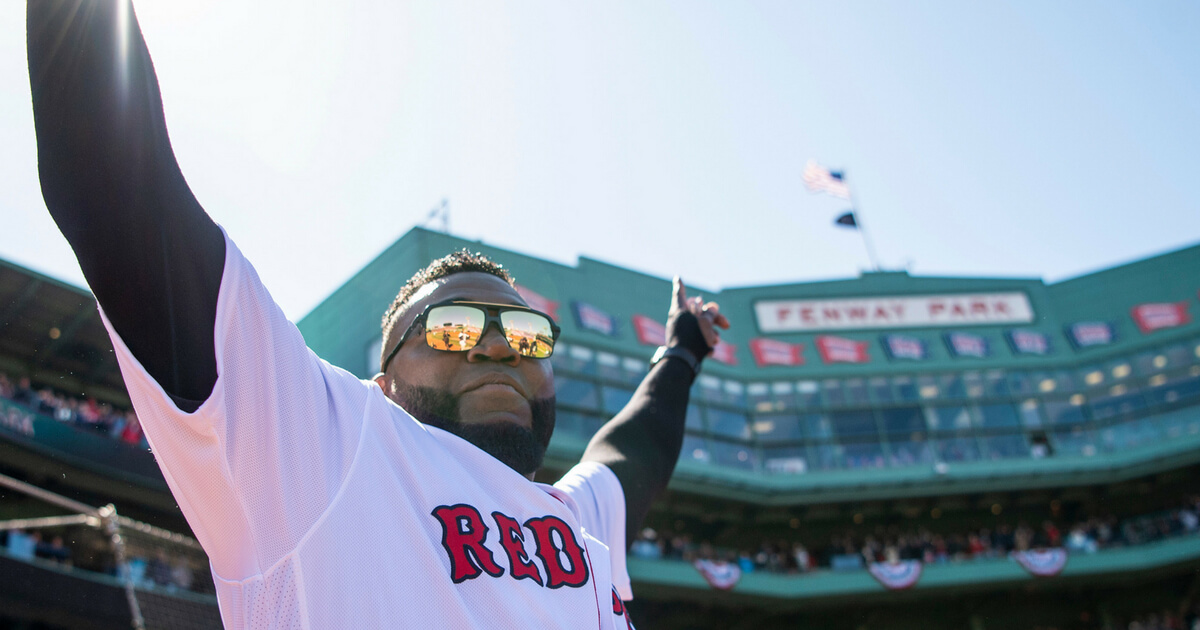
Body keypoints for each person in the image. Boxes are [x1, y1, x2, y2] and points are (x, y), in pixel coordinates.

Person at [26, 1, 729, 628]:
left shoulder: (580, 520)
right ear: (384, 379)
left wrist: (684, 350)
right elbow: (115, 181)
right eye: (452, 328)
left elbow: (632, 450)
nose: (496, 348)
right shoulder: (328, 446)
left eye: (523, 335)